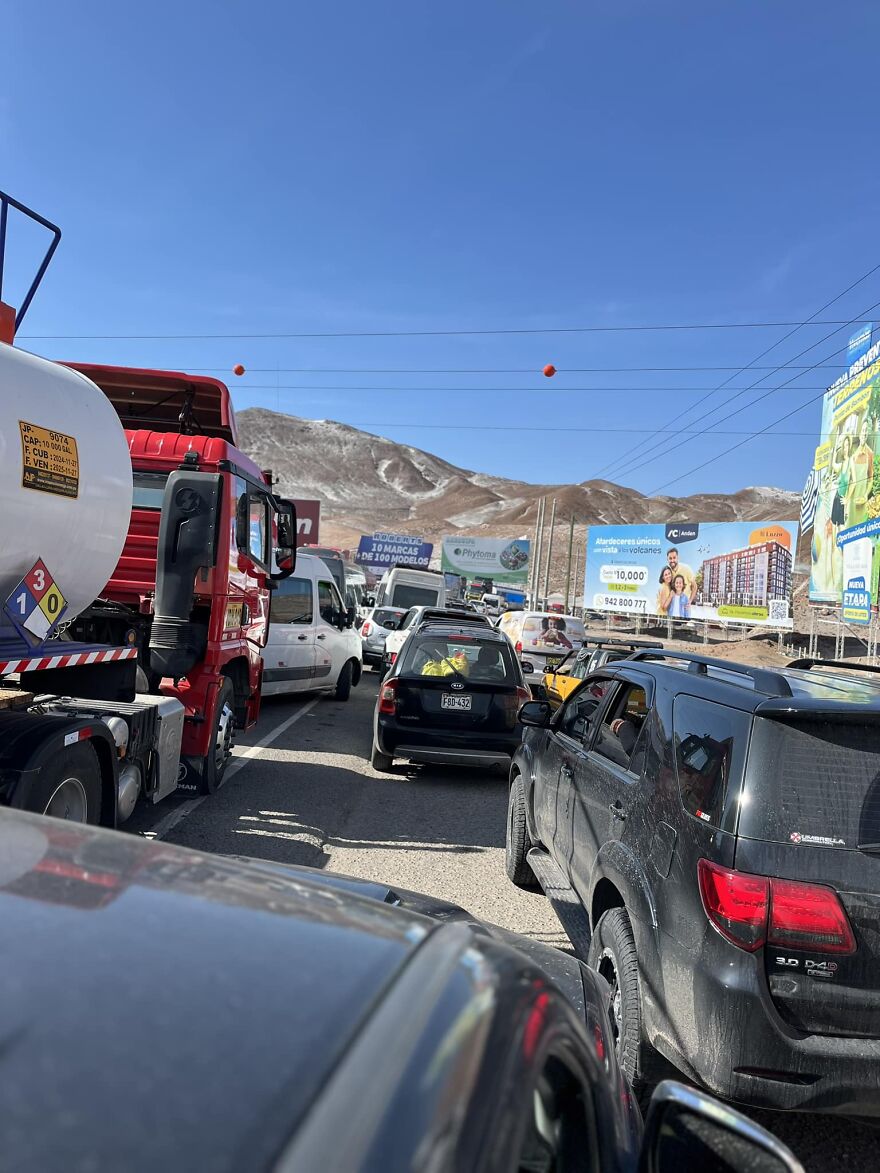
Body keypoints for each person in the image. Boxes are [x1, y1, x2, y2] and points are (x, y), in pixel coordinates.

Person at [847, 416, 875, 527]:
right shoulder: (853, 456)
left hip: (862, 501)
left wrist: (865, 495)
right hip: (852, 502)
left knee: (861, 531)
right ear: (859, 434)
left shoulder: (870, 454)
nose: (864, 433)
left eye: (866, 431)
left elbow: (871, 479)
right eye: (862, 431)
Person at [830, 434, 852, 534]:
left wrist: (848, 498)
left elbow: (854, 483)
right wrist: (833, 453)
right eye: (844, 446)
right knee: (835, 524)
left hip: (844, 499)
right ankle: (835, 548)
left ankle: (842, 548)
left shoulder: (851, 462)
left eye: (847, 445)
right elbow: (834, 466)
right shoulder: (842, 463)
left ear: (850, 446)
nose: (845, 448)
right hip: (837, 497)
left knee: (842, 526)